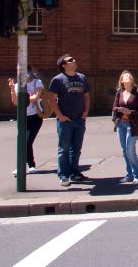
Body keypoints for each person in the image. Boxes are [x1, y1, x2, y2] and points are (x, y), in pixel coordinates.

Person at [46, 54, 90, 187]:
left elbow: (86, 96)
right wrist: (60, 116)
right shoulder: (58, 80)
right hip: (65, 121)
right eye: (70, 60)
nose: (74, 60)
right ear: (63, 65)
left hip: (79, 119)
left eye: (73, 59)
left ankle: (75, 173)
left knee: (76, 149)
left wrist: (85, 112)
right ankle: (63, 175)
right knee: (64, 149)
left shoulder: (82, 78)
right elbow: (51, 99)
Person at [8, 65, 44, 175]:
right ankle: (25, 165)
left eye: (24, 71)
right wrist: (12, 90)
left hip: (35, 116)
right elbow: (15, 102)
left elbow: (36, 97)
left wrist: (24, 99)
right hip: (23, 116)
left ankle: (30, 165)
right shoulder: (18, 85)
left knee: (27, 141)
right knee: (22, 142)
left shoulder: (37, 82)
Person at [111, 70, 138, 185]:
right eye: (126, 75)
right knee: (124, 150)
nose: (129, 76)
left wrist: (131, 112)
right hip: (121, 123)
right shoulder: (120, 92)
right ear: (122, 80)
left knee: (130, 150)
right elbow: (114, 107)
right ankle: (129, 174)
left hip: (132, 124)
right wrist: (120, 109)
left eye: (130, 75)